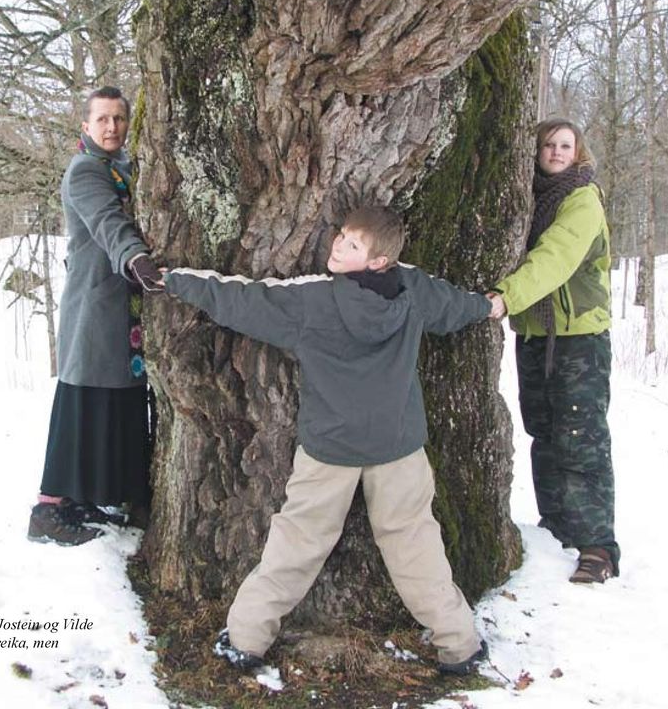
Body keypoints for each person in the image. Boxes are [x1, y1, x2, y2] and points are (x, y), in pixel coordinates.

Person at [160, 207, 493, 675]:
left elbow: (240, 299)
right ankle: (460, 645)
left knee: (298, 541)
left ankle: (245, 638)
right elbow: (460, 306)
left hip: (331, 450)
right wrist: (493, 305)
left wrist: (172, 279)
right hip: (397, 446)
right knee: (414, 542)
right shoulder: (415, 289)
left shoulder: (314, 300)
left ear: (378, 261)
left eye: (353, 244)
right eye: (342, 236)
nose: (337, 245)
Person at [27, 86, 162, 546]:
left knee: (117, 403)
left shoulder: (121, 167)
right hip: (94, 306)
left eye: (119, 119)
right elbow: (109, 222)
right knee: (83, 402)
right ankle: (49, 509)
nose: (112, 127)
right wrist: (136, 258)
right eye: (102, 119)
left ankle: (93, 497)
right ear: (86, 126)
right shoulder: (85, 171)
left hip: (119, 308)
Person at [487, 118, 617, 584]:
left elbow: (555, 258)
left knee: (581, 440)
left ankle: (597, 546)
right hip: (537, 336)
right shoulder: (530, 198)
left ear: (577, 152)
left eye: (566, 145)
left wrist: (505, 297)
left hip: (579, 338)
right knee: (543, 434)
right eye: (549, 144)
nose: (557, 152)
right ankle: (557, 529)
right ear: (537, 150)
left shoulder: (582, 200)